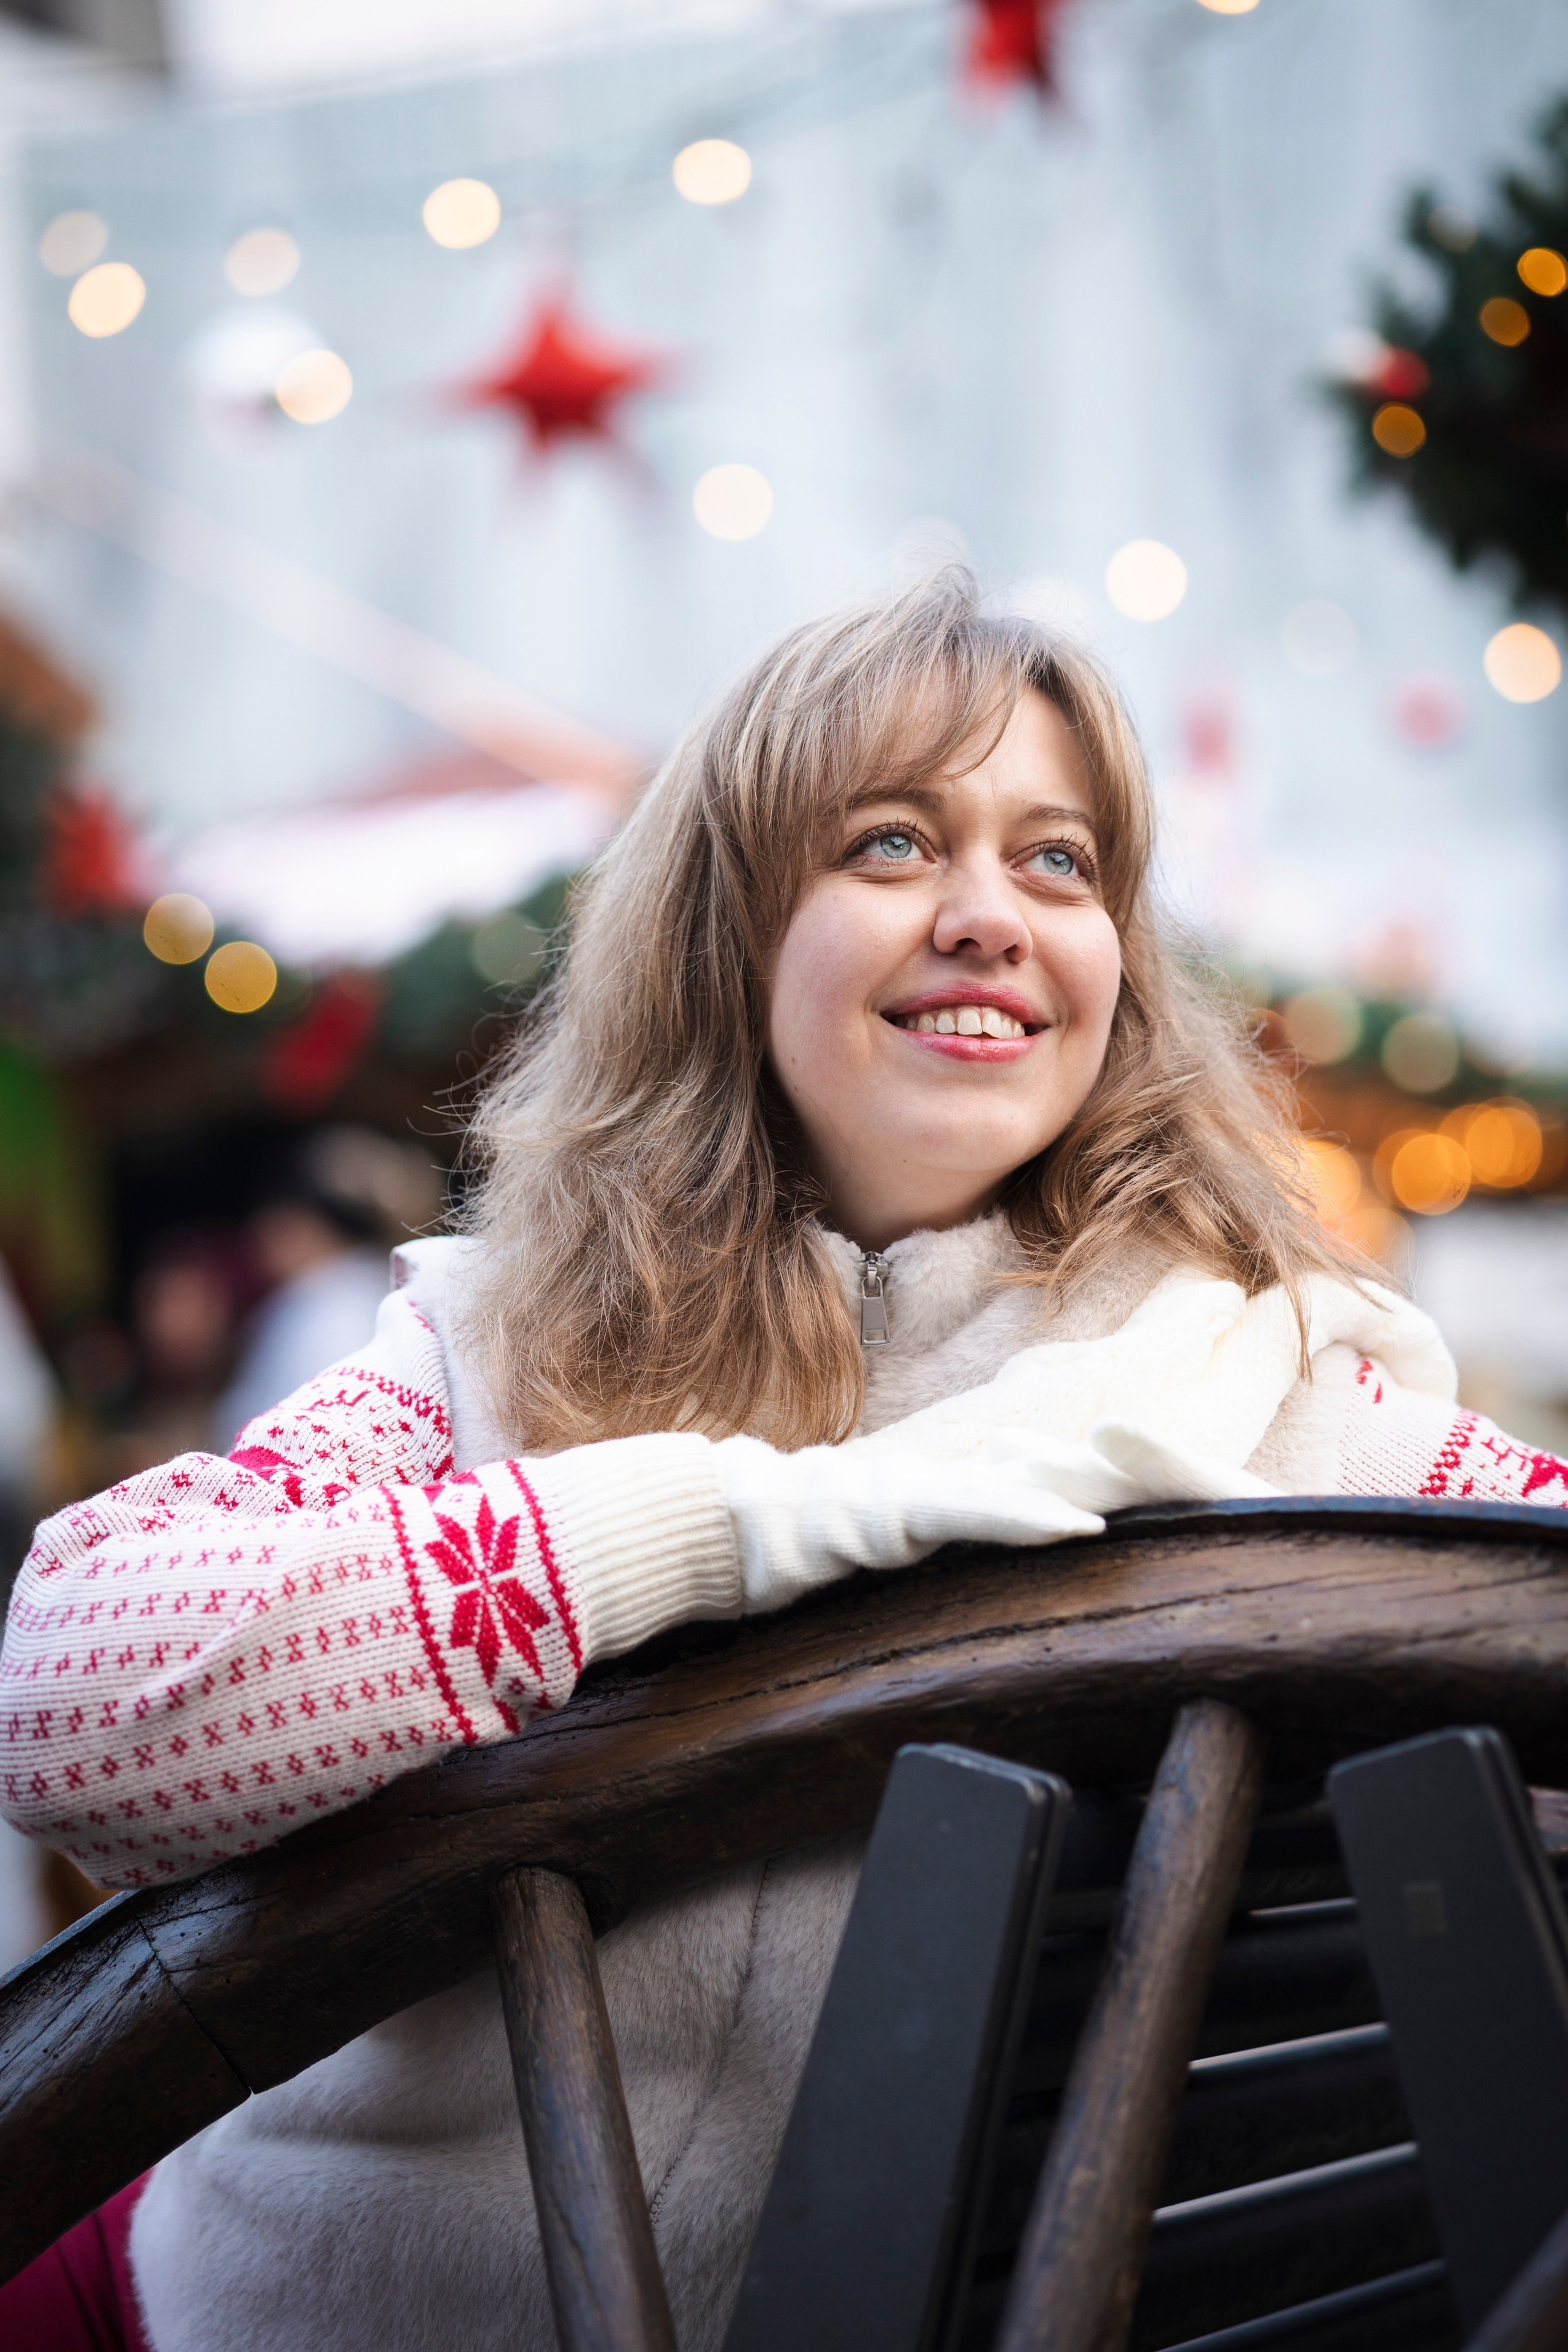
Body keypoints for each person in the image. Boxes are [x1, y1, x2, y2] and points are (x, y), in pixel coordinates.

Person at [2, 571, 1564, 2352]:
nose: (991, 915)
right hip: (213, 2298)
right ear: (729, 930)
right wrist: (726, 1526)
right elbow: (72, 1710)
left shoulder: (1266, 1397)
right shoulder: (490, 1346)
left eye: (1058, 862)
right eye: (893, 842)